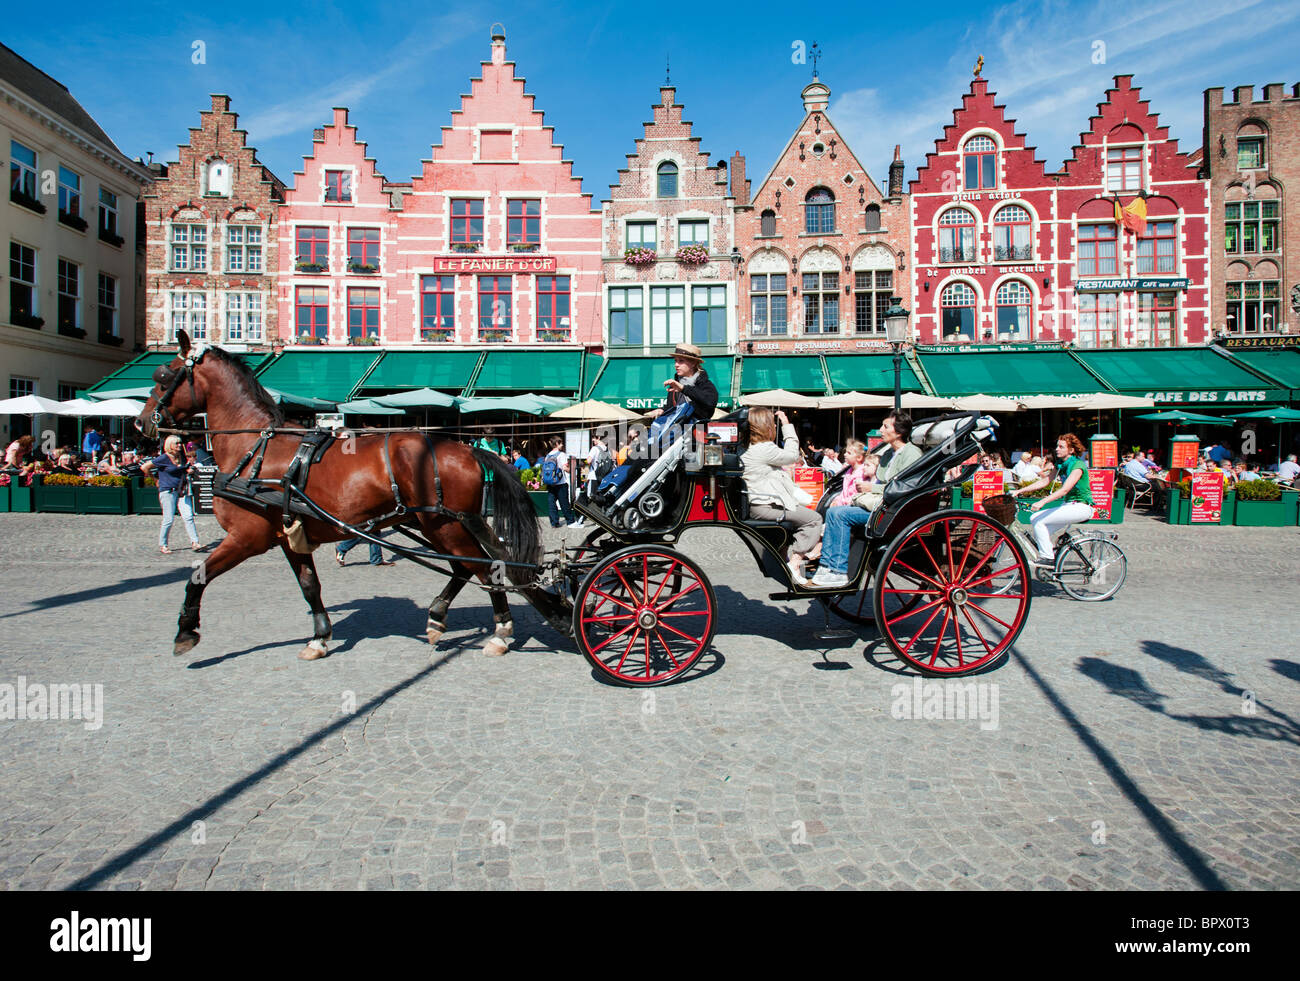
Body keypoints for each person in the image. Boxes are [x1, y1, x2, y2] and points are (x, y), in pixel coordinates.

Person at [810, 411, 922, 588]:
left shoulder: (911, 454)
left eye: (885, 426)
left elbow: (907, 487)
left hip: (892, 509)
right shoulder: (887, 455)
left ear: (899, 432)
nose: (880, 430)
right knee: (833, 512)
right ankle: (827, 565)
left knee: (839, 515)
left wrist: (873, 488)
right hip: (879, 504)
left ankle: (838, 570)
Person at [741, 408, 824, 586]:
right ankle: (794, 564)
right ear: (766, 426)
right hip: (766, 506)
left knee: (800, 516)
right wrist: (787, 425)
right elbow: (793, 455)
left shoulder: (753, 448)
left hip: (760, 504)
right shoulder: (764, 449)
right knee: (814, 519)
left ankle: (782, 560)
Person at [1009, 433, 1093, 567]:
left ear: (1071, 450)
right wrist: (1019, 491)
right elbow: (1045, 481)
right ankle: (1052, 561)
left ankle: (1048, 558)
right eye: (1057, 446)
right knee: (1039, 528)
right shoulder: (1061, 464)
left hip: (1081, 507)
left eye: (1061, 447)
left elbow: (1064, 490)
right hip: (1069, 505)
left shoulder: (1077, 466)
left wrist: (1042, 502)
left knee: (1038, 519)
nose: (1057, 449)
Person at [142, 434, 201, 554]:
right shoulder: (163, 458)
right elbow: (145, 467)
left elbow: (184, 469)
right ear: (170, 446)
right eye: (177, 443)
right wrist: (155, 480)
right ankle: (163, 544)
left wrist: (189, 470)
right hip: (168, 491)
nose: (179, 445)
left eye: (180, 443)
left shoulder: (182, 457)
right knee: (168, 519)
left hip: (181, 489)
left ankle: (195, 542)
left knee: (188, 516)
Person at [644, 343, 718, 423]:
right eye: (675, 361)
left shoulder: (704, 383)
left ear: (693, 363)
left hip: (698, 431)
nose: (676, 365)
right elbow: (672, 409)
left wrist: (683, 388)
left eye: (681, 361)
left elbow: (710, 402)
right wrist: (661, 410)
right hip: (677, 431)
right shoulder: (675, 384)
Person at [541, 435, 579, 528]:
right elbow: (565, 468)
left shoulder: (548, 455)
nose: (562, 445)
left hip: (550, 483)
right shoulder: (561, 455)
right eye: (561, 443)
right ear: (557, 444)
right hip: (560, 482)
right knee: (564, 503)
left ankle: (554, 522)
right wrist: (572, 469)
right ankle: (570, 521)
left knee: (552, 503)